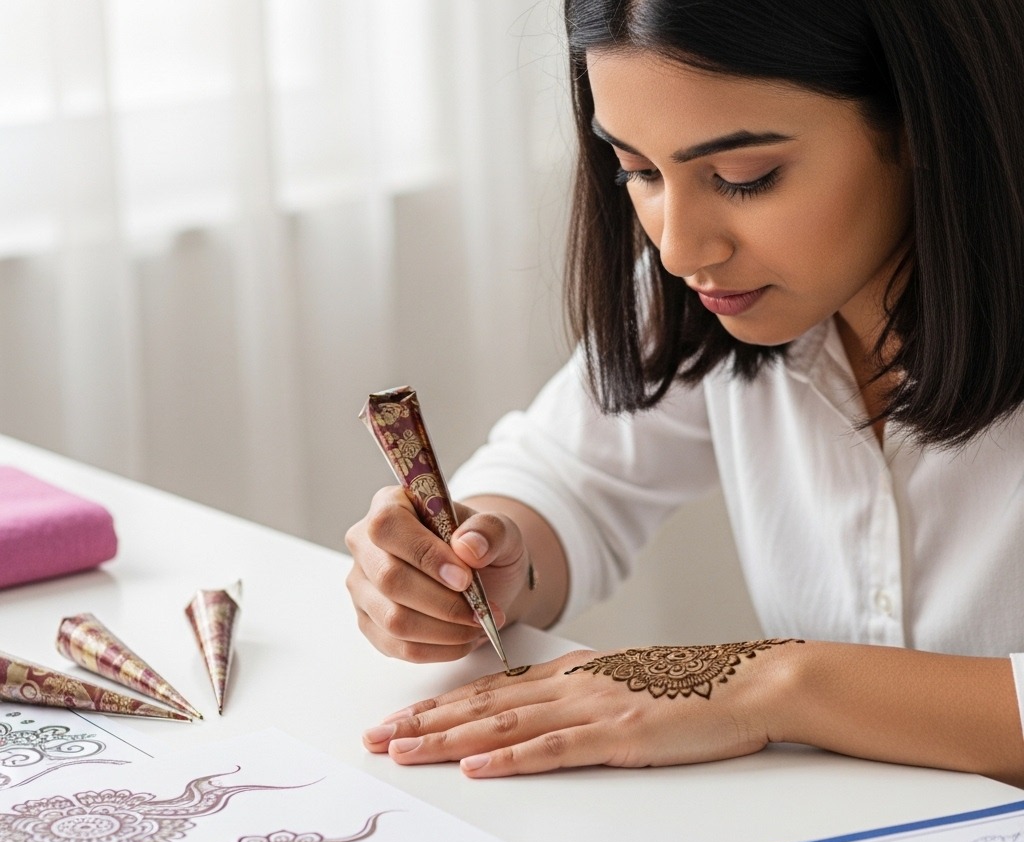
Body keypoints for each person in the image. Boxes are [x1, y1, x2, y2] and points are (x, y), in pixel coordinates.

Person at [345, 0, 1024, 787]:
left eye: (745, 177)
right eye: (637, 170)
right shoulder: (720, 296)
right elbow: (569, 477)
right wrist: (487, 558)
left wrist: (766, 684)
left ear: (920, 120)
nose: (677, 247)